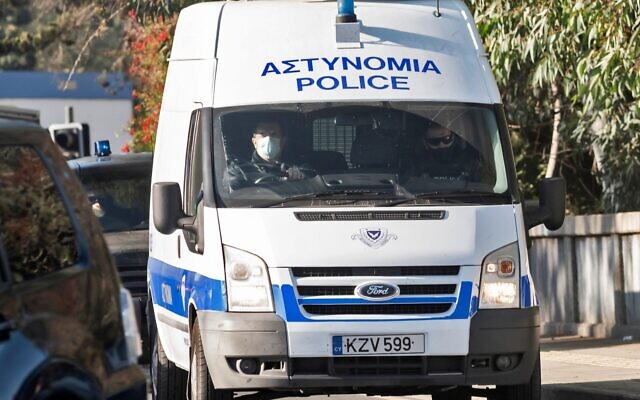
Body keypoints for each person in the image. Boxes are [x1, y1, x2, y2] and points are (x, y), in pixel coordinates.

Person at [225, 120, 308, 189]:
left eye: (273, 134)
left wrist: (298, 182)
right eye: (262, 134)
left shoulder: (298, 167)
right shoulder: (239, 170)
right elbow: (235, 198)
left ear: (282, 142)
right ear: (255, 142)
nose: (268, 138)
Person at [408, 122, 483, 182]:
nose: (441, 144)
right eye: (435, 141)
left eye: (446, 139)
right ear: (425, 143)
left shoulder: (469, 162)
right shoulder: (416, 166)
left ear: (453, 138)